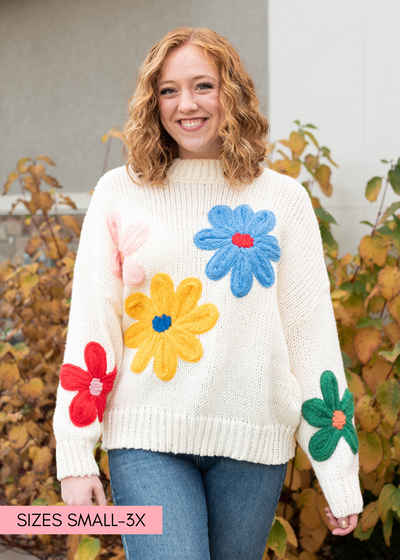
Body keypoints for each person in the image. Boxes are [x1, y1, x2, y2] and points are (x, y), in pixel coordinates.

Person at [54, 27, 363, 560]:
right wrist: (77, 455)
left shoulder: (282, 201)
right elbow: (92, 326)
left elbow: (310, 339)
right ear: (153, 103)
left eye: (203, 85)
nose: (186, 104)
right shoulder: (119, 193)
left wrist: (338, 474)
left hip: (252, 445)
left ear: (233, 94)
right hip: (146, 442)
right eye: (169, 90)